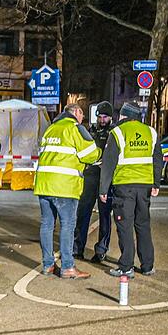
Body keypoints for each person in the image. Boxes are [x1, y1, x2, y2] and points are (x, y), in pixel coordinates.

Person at [34, 103, 101, 280]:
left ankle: (48, 265)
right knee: (67, 225)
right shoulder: (75, 128)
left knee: (47, 225)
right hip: (65, 186)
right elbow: (91, 154)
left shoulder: (51, 129)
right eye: (82, 114)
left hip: (43, 184)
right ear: (77, 113)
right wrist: (101, 152)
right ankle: (68, 267)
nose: (83, 118)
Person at [99, 101, 163, 278]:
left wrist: (103, 189)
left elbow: (108, 163)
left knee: (124, 226)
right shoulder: (151, 132)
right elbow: (158, 159)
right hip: (144, 188)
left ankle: (126, 265)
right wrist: (156, 184)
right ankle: (148, 265)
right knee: (143, 225)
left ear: (124, 116)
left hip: (124, 187)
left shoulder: (118, 132)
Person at [73, 101, 114, 264]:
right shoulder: (91, 131)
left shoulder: (113, 132)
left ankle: (101, 250)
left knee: (105, 215)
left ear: (111, 117)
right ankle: (78, 248)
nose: (102, 120)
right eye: (99, 117)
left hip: (105, 179)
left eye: (105, 117)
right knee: (83, 213)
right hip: (89, 177)